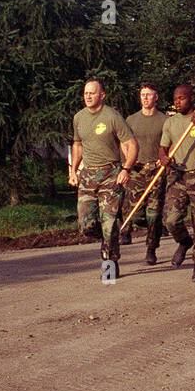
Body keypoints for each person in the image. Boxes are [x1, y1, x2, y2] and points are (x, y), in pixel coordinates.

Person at [71, 79, 138, 278]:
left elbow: (132, 144)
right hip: (88, 176)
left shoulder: (112, 116)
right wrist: (73, 170)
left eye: (92, 93)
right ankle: (110, 238)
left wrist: (126, 169)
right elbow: (77, 145)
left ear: (102, 95)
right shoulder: (79, 118)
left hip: (111, 175)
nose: (88, 96)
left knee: (108, 223)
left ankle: (109, 265)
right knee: (86, 225)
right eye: (85, 93)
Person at [159, 85, 195, 282]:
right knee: (171, 220)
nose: (177, 102)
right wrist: (164, 158)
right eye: (175, 98)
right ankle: (184, 242)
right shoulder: (170, 122)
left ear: (192, 98)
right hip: (178, 176)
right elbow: (163, 148)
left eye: (182, 98)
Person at [122, 83, 167, 264]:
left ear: (156, 97)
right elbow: (124, 142)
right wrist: (128, 160)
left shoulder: (164, 120)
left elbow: (170, 143)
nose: (145, 98)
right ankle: (127, 230)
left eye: (149, 95)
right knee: (134, 210)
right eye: (142, 95)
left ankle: (151, 248)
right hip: (136, 170)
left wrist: (163, 158)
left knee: (154, 213)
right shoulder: (131, 120)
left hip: (156, 171)